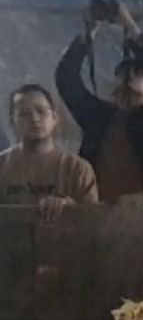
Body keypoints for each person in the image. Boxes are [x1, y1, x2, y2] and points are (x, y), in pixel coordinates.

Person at [55, 0, 143, 203]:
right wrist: (89, 34)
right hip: (97, 211)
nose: (127, 81)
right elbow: (66, 78)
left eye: (136, 75)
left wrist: (131, 27)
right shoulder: (98, 117)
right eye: (121, 76)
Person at [0, 85, 98, 222]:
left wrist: (71, 208)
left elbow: (94, 223)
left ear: (54, 118)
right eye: (24, 114)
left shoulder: (77, 169)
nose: (34, 119)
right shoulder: (2, 166)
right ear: (13, 122)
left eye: (41, 111)